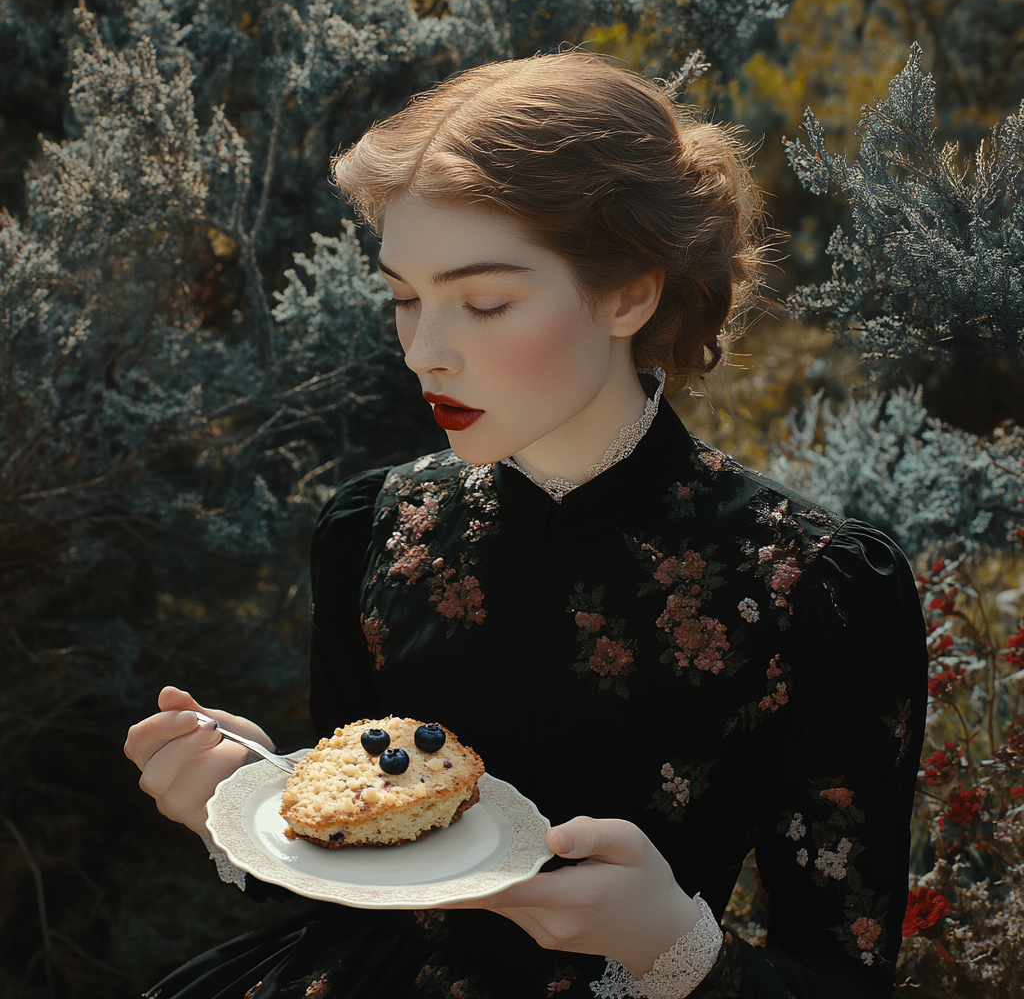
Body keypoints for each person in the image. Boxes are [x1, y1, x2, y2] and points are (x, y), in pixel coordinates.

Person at [124, 50, 928, 999]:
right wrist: (252, 798)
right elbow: (359, 875)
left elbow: (843, 975)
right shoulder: (373, 529)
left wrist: (676, 948)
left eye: (484, 301)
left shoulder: (817, 589)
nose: (425, 352)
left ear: (631, 292)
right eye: (404, 298)